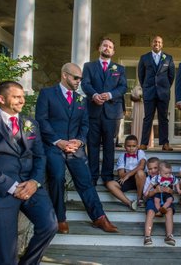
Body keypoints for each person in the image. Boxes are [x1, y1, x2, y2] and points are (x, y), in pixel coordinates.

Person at [0, 81, 58, 264]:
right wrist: (10, 186)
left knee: (50, 225)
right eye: (16, 97)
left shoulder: (31, 124)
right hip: (0, 191)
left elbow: (40, 157)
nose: (22, 100)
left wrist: (35, 182)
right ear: (1, 99)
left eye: (22, 96)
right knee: (6, 251)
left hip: (30, 186)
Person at [35, 63, 118, 234]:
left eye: (80, 78)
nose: (79, 81)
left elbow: (85, 124)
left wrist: (79, 142)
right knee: (57, 178)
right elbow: (41, 121)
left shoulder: (81, 99)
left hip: (75, 149)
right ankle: (60, 218)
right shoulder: (47, 94)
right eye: (76, 77)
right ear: (64, 75)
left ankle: (99, 217)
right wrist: (58, 141)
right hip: (53, 147)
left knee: (86, 181)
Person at [82, 37, 127, 185]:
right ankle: (92, 176)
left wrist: (109, 95)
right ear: (100, 48)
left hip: (112, 112)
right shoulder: (89, 66)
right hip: (93, 111)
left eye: (110, 46)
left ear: (113, 51)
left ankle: (107, 175)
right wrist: (94, 95)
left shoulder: (119, 69)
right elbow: (85, 83)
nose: (107, 48)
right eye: (104, 45)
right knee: (92, 144)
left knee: (109, 145)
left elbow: (122, 87)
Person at [138, 35, 175, 151]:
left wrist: (165, 87)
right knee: (147, 118)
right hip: (149, 92)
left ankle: (165, 143)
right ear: (151, 43)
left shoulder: (168, 58)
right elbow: (141, 75)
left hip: (163, 93)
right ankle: (144, 143)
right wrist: (146, 87)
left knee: (163, 118)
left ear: (162, 44)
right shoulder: (144, 58)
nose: (157, 44)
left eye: (159, 42)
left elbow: (171, 76)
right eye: (155, 42)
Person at [106, 134, 146, 210]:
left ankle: (139, 198)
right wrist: (129, 175)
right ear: (125, 146)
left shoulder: (140, 152)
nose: (131, 148)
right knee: (110, 184)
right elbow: (121, 175)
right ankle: (129, 203)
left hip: (140, 179)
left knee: (140, 172)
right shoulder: (122, 156)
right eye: (129, 146)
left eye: (134, 146)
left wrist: (128, 174)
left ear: (137, 146)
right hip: (127, 180)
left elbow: (141, 166)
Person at [143, 158, 176, 246]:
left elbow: (173, 191)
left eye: (155, 168)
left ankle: (169, 235)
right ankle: (147, 236)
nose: (152, 170)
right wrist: (154, 191)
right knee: (150, 212)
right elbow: (146, 195)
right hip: (152, 198)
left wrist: (170, 191)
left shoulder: (168, 177)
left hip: (165, 199)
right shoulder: (148, 179)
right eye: (150, 169)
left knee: (169, 211)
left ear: (160, 169)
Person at [130, 84, 154, 148]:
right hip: (137, 108)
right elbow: (131, 97)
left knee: (146, 123)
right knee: (137, 123)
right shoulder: (136, 87)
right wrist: (138, 98)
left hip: (146, 107)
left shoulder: (150, 86)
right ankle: (135, 142)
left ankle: (146, 142)